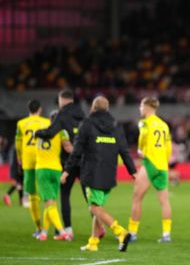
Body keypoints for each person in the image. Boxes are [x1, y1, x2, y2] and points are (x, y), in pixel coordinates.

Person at [61, 96, 137, 252]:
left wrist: (67, 170)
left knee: (94, 208)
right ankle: (93, 242)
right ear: (107, 109)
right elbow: (124, 150)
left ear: (93, 108)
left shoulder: (87, 124)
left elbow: (77, 150)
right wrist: (132, 171)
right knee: (98, 206)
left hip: (91, 172)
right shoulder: (116, 125)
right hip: (109, 172)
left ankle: (120, 232)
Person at [35, 89, 86, 238]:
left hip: (55, 166)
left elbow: (49, 136)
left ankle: (64, 230)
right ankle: (99, 227)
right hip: (73, 164)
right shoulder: (80, 117)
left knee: (56, 198)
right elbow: (71, 145)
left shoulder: (48, 132)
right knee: (89, 196)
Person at [128, 97, 173, 243]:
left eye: (141, 106)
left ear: (147, 106)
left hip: (150, 164)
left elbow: (142, 138)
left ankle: (132, 233)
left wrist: (141, 149)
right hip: (162, 166)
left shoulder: (144, 123)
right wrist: (164, 162)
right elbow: (168, 147)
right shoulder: (164, 125)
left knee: (137, 198)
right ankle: (166, 234)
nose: (140, 109)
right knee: (164, 202)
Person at [35, 111, 74, 241]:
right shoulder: (62, 132)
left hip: (42, 170)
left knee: (49, 203)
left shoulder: (39, 132)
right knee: (51, 203)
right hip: (56, 169)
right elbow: (68, 148)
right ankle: (44, 233)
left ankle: (62, 232)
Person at [15, 100, 50, 237]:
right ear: (40, 109)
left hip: (28, 162)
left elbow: (18, 142)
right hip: (43, 160)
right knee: (49, 195)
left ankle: (39, 228)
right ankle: (55, 227)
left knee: (33, 196)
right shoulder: (47, 122)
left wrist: (19, 157)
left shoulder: (21, 124)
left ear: (28, 109)